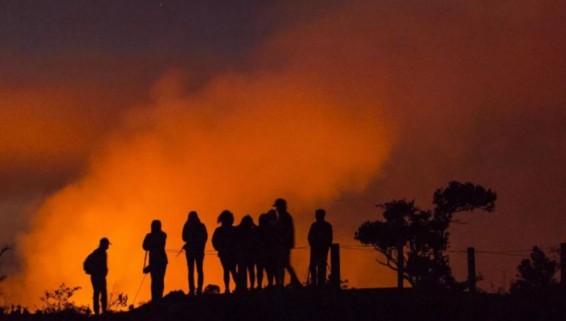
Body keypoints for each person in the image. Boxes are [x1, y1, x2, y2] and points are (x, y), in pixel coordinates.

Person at [273, 198, 301, 287]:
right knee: (283, 265)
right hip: (282, 245)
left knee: (284, 264)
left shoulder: (285, 217)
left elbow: (285, 232)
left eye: (277, 207)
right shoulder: (283, 217)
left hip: (283, 245)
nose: (276, 209)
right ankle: (285, 283)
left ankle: (293, 282)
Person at [182, 211, 208, 295]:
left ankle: (194, 289)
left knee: (193, 270)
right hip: (197, 251)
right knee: (197, 270)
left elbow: (184, 237)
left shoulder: (188, 226)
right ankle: (196, 289)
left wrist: (192, 241)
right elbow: (204, 238)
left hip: (193, 251)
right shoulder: (201, 226)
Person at [212, 210, 238, 294]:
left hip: (226, 253)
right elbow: (214, 241)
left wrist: (218, 248)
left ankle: (229, 288)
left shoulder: (219, 230)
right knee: (232, 270)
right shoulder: (233, 230)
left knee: (227, 270)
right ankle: (236, 287)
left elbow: (214, 241)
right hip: (229, 253)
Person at [143, 220, 168, 302]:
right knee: (156, 280)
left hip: (159, 261)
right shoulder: (160, 235)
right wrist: (153, 245)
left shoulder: (162, 235)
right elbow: (144, 246)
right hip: (158, 261)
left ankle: (158, 298)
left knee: (158, 280)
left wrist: (151, 245)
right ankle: (155, 299)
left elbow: (147, 245)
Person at [308, 209, 333, 287]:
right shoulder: (326, 225)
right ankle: (316, 282)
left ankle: (319, 282)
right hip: (318, 249)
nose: (317, 216)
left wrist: (314, 245)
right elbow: (309, 237)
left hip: (320, 249)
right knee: (315, 265)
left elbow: (309, 237)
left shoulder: (320, 226)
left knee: (319, 265)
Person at [86, 237, 110, 315]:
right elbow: (100, 265)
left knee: (99, 293)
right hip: (98, 276)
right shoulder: (99, 253)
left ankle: (100, 311)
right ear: (103, 244)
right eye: (107, 244)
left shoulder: (99, 253)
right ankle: (100, 311)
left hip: (98, 276)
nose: (108, 246)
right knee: (99, 293)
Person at [236, 215, 257, 291]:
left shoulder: (239, 230)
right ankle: (251, 287)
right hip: (249, 254)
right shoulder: (252, 231)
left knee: (243, 272)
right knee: (250, 271)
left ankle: (244, 287)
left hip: (243, 254)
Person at [256, 211, 277, 288]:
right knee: (268, 270)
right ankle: (270, 284)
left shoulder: (258, 230)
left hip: (263, 253)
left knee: (262, 271)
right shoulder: (270, 230)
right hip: (266, 253)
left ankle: (260, 285)